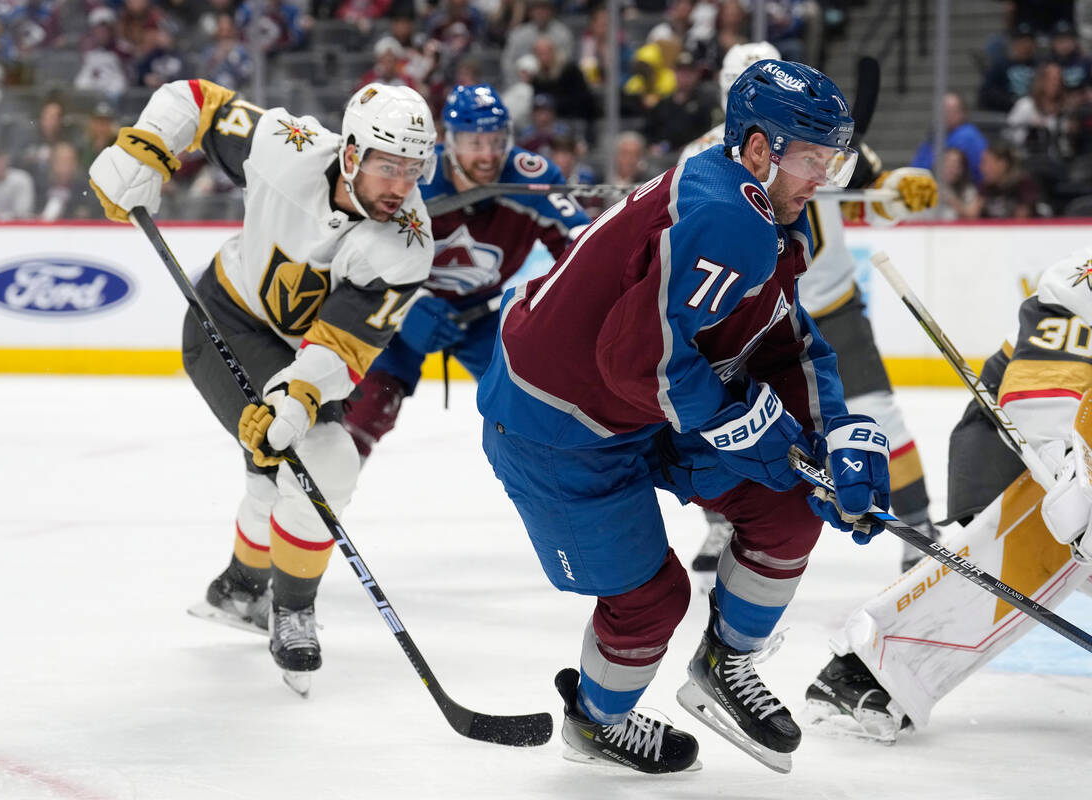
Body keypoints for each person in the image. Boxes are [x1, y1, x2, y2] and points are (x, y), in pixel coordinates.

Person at [478, 58, 890, 774]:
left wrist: (839, 436)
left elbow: (785, 342)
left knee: (794, 503)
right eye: (811, 159)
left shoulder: (757, 209)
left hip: (642, 413)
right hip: (555, 426)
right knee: (651, 596)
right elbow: (637, 364)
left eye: (833, 161)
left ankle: (725, 664)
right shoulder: (731, 218)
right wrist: (748, 427)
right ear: (759, 149)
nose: (823, 178)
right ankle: (597, 723)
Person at [88, 79, 436, 690]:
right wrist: (145, 147)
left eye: (413, 169)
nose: (401, 187)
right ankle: (291, 608)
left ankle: (241, 588)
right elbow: (194, 98)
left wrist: (296, 395)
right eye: (388, 166)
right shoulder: (286, 144)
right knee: (320, 459)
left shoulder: (406, 244)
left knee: (300, 458)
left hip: (306, 352)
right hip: (224, 321)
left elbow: (343, 346)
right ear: (351, 153)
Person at [804, 246, 1092, 743]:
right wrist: (1076, 481)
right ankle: (870, 670)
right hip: (1026, 445)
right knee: (1033, 535)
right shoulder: (1082, 280)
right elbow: (1044, 392)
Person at [682, 42, 941, 583]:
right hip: (754, 315)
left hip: (830, 302)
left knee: (878, 415)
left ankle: (918, 526)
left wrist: (894, 191)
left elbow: (869, 183)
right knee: (721, 420)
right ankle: (723, 523)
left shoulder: (812, 138)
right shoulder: (703, 158)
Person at [341, 83, 589, 462]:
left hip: (483, 314)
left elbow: (582, 248)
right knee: (367, 406)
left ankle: (563, 493)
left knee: (535, 405)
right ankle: (317, 496)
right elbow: (358, 249)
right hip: (400, 303)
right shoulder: (413, 176)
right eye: (474, 142)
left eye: (495, 140)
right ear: (449, 141)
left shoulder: (530, 176)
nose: (487, 154)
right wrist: (406, 306)